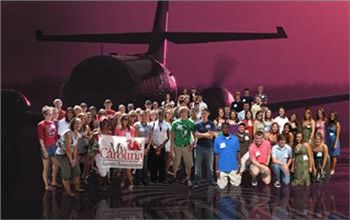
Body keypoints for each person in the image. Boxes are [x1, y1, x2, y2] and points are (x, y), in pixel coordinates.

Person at [55, 117, 84, 197]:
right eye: (76, 123)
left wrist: (74, 159)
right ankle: (68, 191)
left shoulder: (77, 134)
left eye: (79, 123)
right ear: (72, 124)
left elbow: (75, 147)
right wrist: (71, 161)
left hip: (70, 153)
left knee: (77, 170)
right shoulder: (68, 133)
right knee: (66, 173)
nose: (78, 125)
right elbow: (67, 149)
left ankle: (77, 187)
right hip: (62, 154)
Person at [171, 106, 196, 187]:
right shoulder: (175, 123)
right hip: (177, 146)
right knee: (175, 163)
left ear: (187, 113)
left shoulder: (191, 123)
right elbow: (172, 136)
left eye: (185, 112)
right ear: (179, 113)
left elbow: (195, 135)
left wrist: (192, 144)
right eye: (182, 112)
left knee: (188, 164)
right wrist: (172, 146)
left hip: (187, 146)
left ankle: (188, 179)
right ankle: (174, 177)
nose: (183, 113)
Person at [193, 108, 216, 187]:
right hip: (199, 146)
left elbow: (211, 137)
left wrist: (201, 134)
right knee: (198, 164)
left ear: (208, 114)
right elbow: (196, 135)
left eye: (205, 113)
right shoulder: (197, 124)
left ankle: (210, 180)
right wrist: (207, 134)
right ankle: (197, 180)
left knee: (210, 165)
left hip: (209, 147)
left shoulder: (212, 124)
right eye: (202, 113)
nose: (203, 114)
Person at [38, 106, 59, 191]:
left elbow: (55, 135)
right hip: (46, 147)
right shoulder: (41, 124)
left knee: (56, 164)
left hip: (54, 146)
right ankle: (46, 185)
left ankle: (53, 181)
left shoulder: (52, 123)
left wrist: (57, 144)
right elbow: (41, 138)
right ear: (44, 114)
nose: (50, 115)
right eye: (48, 114)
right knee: (46, 167)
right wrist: (43, 149)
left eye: (51, 114)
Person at [214, 122, 241, 189]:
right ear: (221, 129)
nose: (225, 129)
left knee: (236, 188)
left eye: (226, 128)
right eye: (223, 128)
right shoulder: (217, 140)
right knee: (221, 188)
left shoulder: (235, 139)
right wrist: (217, 169)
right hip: (222, 168)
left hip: (233, 167)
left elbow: (238, 153)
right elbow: (216, 155)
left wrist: (239, 165)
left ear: (229, 129)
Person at [114, 114, 136, 190]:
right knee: (124, 168)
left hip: (128, 151)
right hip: (120, 151)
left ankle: (131, 184)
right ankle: (123, 181)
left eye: (126, 119)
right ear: (121, 120)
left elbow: (132, 140)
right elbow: (115, 139)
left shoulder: (131, 129)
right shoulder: (118, 128)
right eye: (123, 119)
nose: (125, 121)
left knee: (126, 168)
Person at [148, 110, 170, 183]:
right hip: (153, 146)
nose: (160, 116)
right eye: (159, 114)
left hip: (162, 146)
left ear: (164, 116)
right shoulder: (152, 124)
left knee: (162, 163)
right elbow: (150, 136)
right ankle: (153, 179)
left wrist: (160, 147)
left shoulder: (167, 125)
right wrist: (154, 146)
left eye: (162, 115)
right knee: (153, 163)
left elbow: (168, 137)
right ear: (157, 115)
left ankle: (162, 179)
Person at [134, 111, 152, 186]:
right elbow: (136, 136)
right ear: (140, 116)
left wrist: (147, 148)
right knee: (139, 163)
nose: (144, 117)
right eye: (142, 115)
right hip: (138, 145)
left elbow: (151, 137)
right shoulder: (137, 125)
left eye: (145, 115)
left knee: (144, 163)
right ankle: (138, 180)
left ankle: (144, 179)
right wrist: (140, 148)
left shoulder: (149, 125)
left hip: (146, 145)